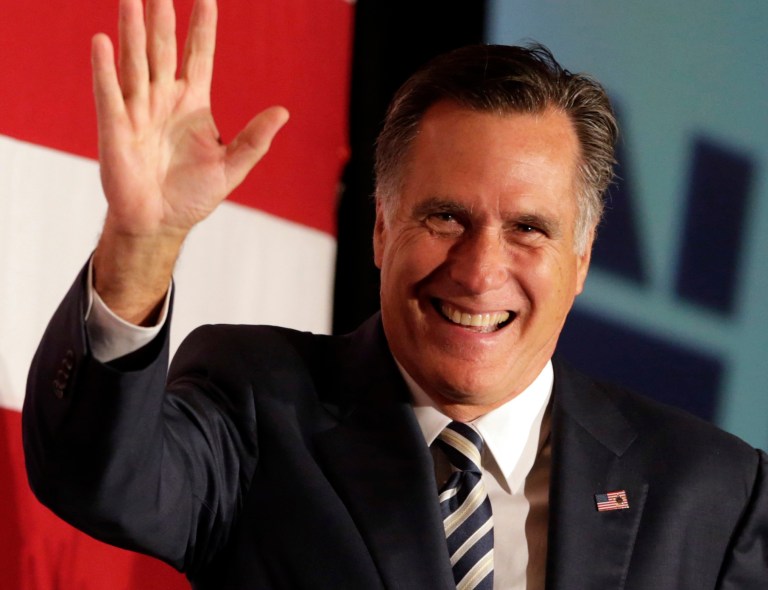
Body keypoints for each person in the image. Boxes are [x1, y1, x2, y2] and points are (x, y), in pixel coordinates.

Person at [23, 0, 768, 588]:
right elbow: (102, 478)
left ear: (582, 256)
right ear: (382, 230)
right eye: (445, 217)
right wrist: (141, 246)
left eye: (528, 230)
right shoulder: (259, 405)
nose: (480, 271)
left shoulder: (709, 492)